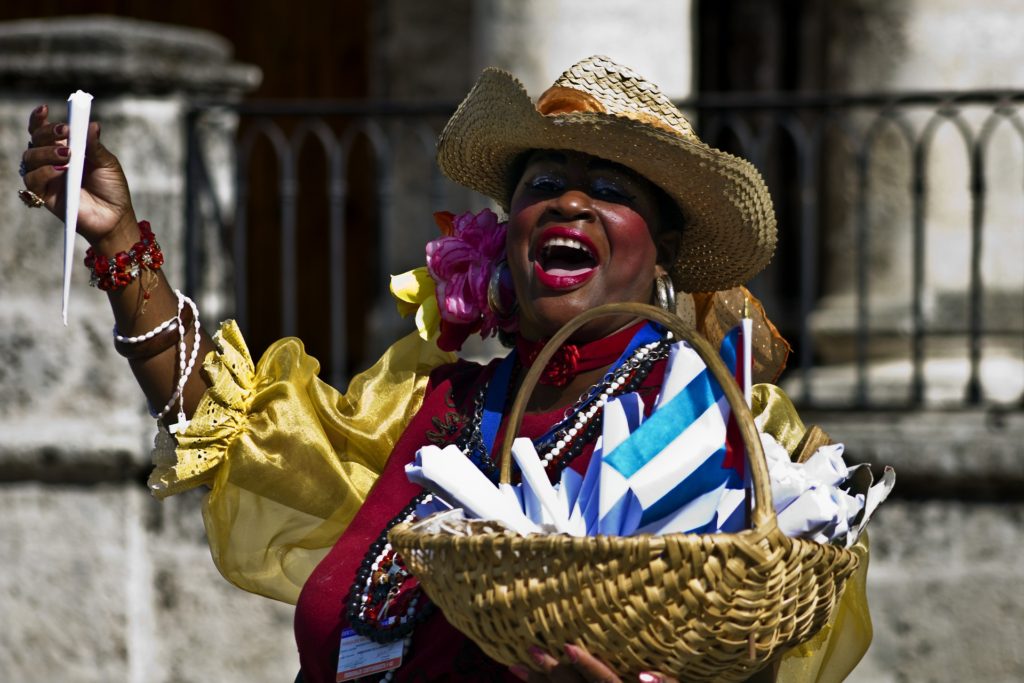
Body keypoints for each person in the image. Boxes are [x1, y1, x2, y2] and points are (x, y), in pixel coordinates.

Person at [20, 56, 871, 683]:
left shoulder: (726, 433)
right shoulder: (433, 407)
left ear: (663, 254)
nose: (569, 201)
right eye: (545, 180)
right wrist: (119, 242)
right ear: (507, 230)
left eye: (609, 186)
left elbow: (766, 643)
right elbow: (239, 427)